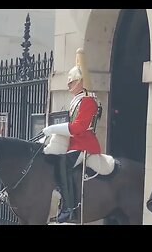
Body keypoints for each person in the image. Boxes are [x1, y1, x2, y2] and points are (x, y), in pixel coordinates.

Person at [41, 48, 101, 223]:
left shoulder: (88, 101)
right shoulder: (78, 100)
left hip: (85, 144)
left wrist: (53, 129)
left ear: (80, 82)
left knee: (63, 165)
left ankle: (70, 208)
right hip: (74, 144)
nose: (69, 87)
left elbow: (79, 128)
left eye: (72, 83)